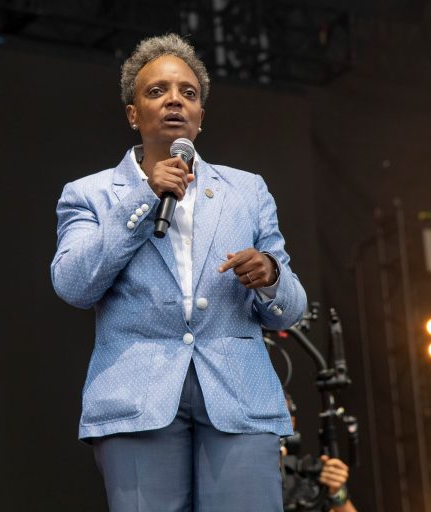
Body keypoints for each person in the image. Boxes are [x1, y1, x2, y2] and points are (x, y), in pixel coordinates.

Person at [51, 33, 307, 512]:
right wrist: (144, 197)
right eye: (157, 91)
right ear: (133, 114)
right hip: (136, 399)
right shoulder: (88, 194)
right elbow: (73, 284)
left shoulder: (246, 191)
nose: (175, 100)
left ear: (201, 118)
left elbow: (290, 309)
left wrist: (270, 274)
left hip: (240, 397)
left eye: (188, 93)